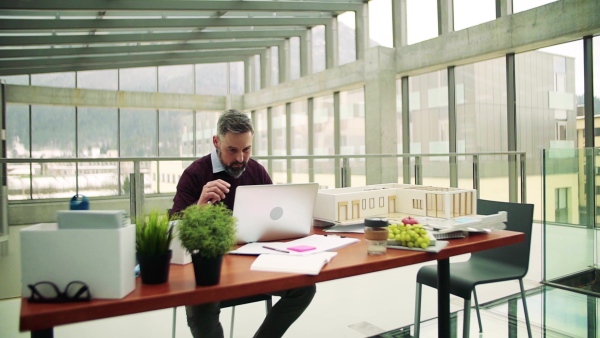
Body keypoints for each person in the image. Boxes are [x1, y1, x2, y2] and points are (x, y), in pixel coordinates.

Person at [170, 109, 316, 338]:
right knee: (201, 303)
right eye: (232, 150)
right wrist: (198, 207)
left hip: (253, 264)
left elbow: (274, 218)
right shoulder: (195, 175)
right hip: (210, 269)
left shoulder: (256, 171)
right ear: (216, 142)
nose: (240, 158)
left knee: (304, 288)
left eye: (246, 149)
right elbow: (174, 230)